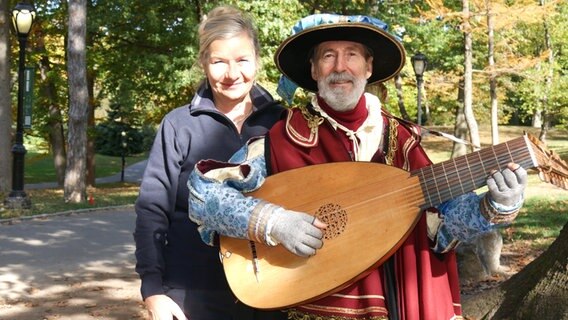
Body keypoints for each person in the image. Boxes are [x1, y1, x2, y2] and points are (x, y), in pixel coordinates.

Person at [188, 13, 527, 320]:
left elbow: (442, 229)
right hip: (315, 306)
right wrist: (274, 222)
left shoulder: (402, 139)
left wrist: (493, 206)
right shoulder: (285, 135)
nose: (340, 66)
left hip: (401, 304)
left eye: (351, 54)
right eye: (328, 56)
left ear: (368, 68)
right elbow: (203, 194)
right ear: (313, 70)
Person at [133, 6, 286, 320]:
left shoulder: (283, 124)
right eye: (219, 62)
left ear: (257, 58)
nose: (232, 74)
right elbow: (152, 210)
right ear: (203, 62)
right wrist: (153, 290)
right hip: (192, 293)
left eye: (242, 60)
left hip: (272, 288)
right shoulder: (178, 125)